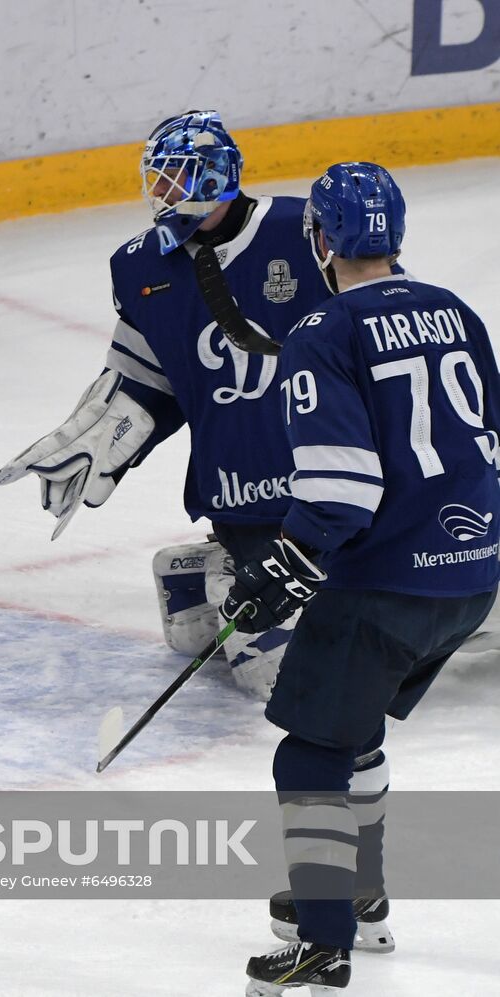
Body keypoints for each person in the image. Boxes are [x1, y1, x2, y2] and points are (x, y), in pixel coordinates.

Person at [222, 162, 500, 994]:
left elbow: (341, 492)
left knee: (309, 751)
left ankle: (323, 939)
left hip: (384, 583)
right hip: (474, 577)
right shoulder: (455, 311)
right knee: (357, 726)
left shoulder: (325, 329)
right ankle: (360, 893)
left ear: (321, 239)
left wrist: (283, 568)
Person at [0, 110, 332, 700]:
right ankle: (224, 563)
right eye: (158, 177)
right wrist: (107, 439)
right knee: (282, 681)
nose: (163, 192)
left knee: (415, 600)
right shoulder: (140, 265)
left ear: (216, 176)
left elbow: (381, 316)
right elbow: (145, 375)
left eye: (178, 176)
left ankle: (208, 580)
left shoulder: (303, 228)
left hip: (335, 480)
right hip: (243, 492)